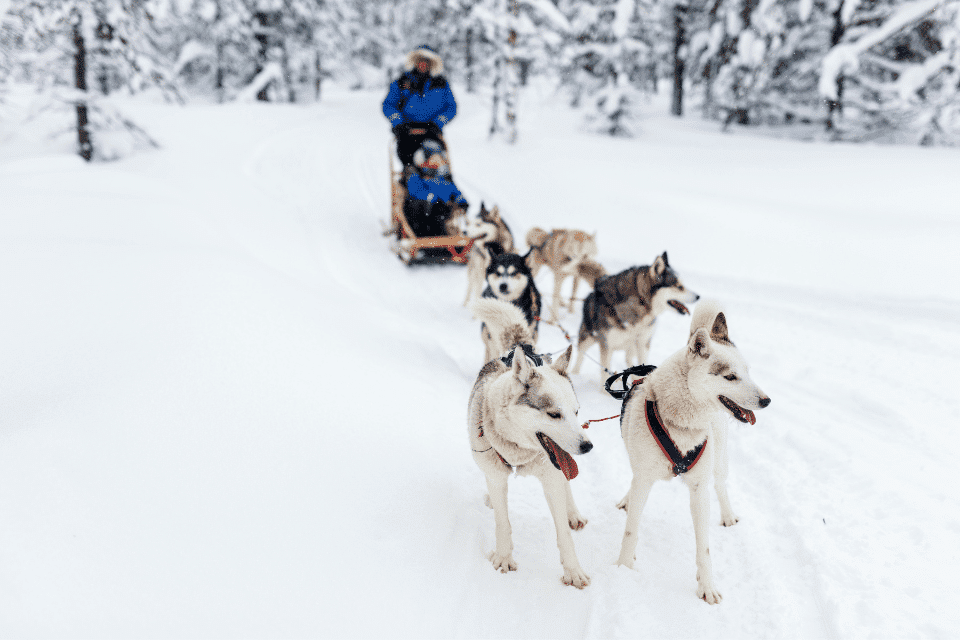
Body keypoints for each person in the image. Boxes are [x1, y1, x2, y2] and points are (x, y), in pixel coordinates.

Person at [383, 45, 457, 167]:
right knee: (408, 158)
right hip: (406, 130)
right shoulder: (402, 82)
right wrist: (398, 123)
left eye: (426, 60)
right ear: (415, 61)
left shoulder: (441, 83)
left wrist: (438, 123)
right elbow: (389, 105)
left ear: (432, 63)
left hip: (432, 130)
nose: (423, 63)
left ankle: (437, 179)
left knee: (436, 157)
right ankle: (411, 177)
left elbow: (451, 108)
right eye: (420, 60)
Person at [403, 139, 469, 237]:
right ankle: (424, 239)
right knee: (422, 209)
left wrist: (461, 201)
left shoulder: (445, 179)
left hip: (443, 212)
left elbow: (455, 191)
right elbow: (416, 191)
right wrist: (431, 198)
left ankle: (451, 238)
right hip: (423, 213)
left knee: (450, 214)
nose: (438, 161)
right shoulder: (416, 176)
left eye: (439, 158)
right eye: (434, 158)